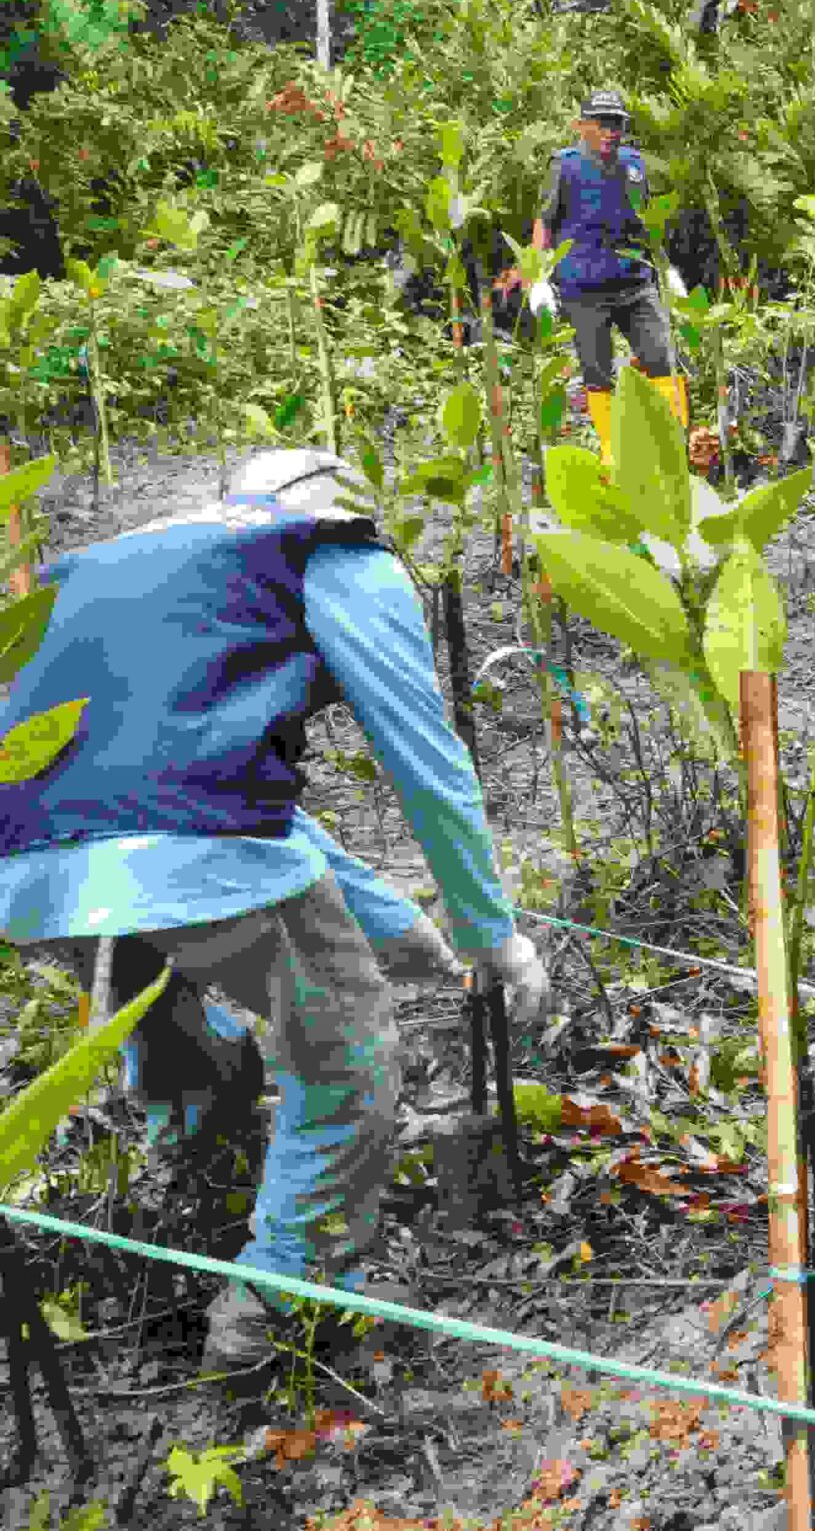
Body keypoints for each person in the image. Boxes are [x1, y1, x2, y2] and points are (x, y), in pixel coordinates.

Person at [0, 449, 548, 1371]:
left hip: (26, 857)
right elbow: (425, 760)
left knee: (179, 1049)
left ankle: (195, 1205)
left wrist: (414, 940)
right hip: (190, 842)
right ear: (341, 503)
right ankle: (277, 1319)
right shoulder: (329, 550)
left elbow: (200, 783)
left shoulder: (124, 560)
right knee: (346, 1060)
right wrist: (492, 935)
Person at [527, 88, 688, 460]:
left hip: (635, 283)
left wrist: (665, 269)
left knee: (663, 357)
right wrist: (539, 277)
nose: (610, 133)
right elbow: (544, 222)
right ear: (582, 126)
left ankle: (675, 451)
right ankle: (611, 455)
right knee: (597, 373)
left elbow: (646, 221)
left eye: (616, 125)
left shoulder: (633, 166)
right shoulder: (564, 166)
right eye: (601, 124)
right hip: (584, 289)